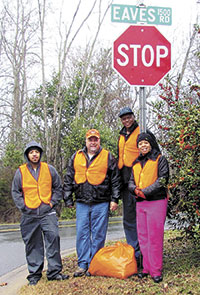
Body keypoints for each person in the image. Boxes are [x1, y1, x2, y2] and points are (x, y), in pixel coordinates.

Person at [63, 129, 120, 277]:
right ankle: (82, 264)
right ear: (86, 141)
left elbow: (115, 179)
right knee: (82, 233)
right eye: (90, 140)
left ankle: (94, 264)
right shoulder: (76, 156)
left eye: (95, 140)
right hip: (82, 202)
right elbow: (69, 177)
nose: (93, 142)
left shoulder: (108, 156)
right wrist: (68, 197)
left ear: (99, 141)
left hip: (101, 202)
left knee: (98, 234)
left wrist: (114, 199)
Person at [11, 141, 69, 285]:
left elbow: (57, 188)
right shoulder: (21, 171)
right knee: (33, 244)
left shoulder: (50, 169)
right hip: (29, 214)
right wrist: (23, 207)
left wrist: (52, 203)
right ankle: (35, 274)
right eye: (31, 152)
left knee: (53, 238)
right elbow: (15, 191)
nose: (34, 154)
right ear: (27, 155)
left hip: (47, 212)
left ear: (40, 154)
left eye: (36, 152)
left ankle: (54, 272)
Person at [118, 106, 159, 267]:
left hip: (142, 182)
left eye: (129, 117)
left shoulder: (143, 131)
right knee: (128, 219)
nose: (126, 120)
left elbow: (156, 153)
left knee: (145, 220)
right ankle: (134, 254)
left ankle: (147, 254)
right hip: (126, 183)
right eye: (123, 118)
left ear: (134, 117)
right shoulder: (121, 134)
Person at [128, 132, 169, 283]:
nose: (143, 145)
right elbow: (131, 182)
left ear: (151, 143)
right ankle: (146, 268)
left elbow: (162, 180)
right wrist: (135, 190)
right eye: (140, 143)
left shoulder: (160, 159)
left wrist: (145, 192)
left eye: (145, 142)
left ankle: (156, 270)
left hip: (156, 202)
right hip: (140, 203)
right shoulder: (136, 162)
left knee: (155, 237)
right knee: (143, 237)